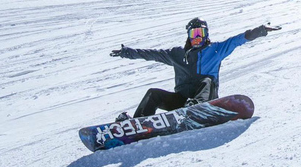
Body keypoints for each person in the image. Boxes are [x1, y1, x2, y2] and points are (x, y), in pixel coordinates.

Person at [110, 18, 278, 120]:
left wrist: (261, 30)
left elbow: (238, 40)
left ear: (206, 35)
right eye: (193, 34)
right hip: (181, 102)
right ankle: (138, 124)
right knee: (153, 93)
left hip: (206, 100)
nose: (197, 38)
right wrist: (127, 52)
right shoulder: (178, 54)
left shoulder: (216, 50)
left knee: (206, 80)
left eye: (200, 33)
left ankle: (196, 108)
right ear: (189, 36)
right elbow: (152, 54)